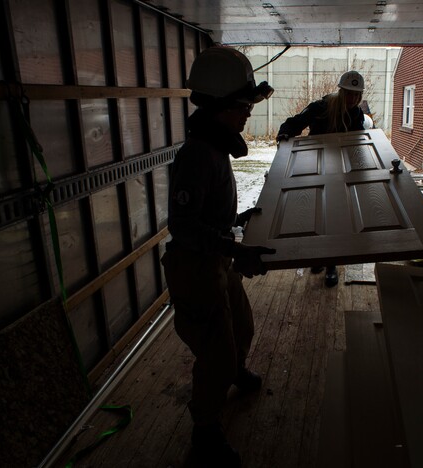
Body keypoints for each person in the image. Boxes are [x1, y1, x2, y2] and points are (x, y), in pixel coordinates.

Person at [161, 46, 276, 468]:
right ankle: (205, 429)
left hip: (216, 258)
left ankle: (235, 369)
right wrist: (233, 248)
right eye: (242, 105)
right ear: (217, 107)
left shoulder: (214, 146)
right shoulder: (196, 155)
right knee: (215, 353)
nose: (247, 113)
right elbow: (184, 227)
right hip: (194, 266)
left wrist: (238, 218)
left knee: (242, 324)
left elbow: (208, 213)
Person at [276, 70, 366, 287]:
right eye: (348, 94)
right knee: (314, 215)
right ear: (341, 91)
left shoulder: (357, 114)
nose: (352, 99)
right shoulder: (320, 107)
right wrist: (284, 134)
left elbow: (359, 142)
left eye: (357, 95)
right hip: (315, 167)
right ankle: (316, 257)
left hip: (342, 170)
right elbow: (294, 123)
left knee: (336, 216)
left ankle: (331, 263)